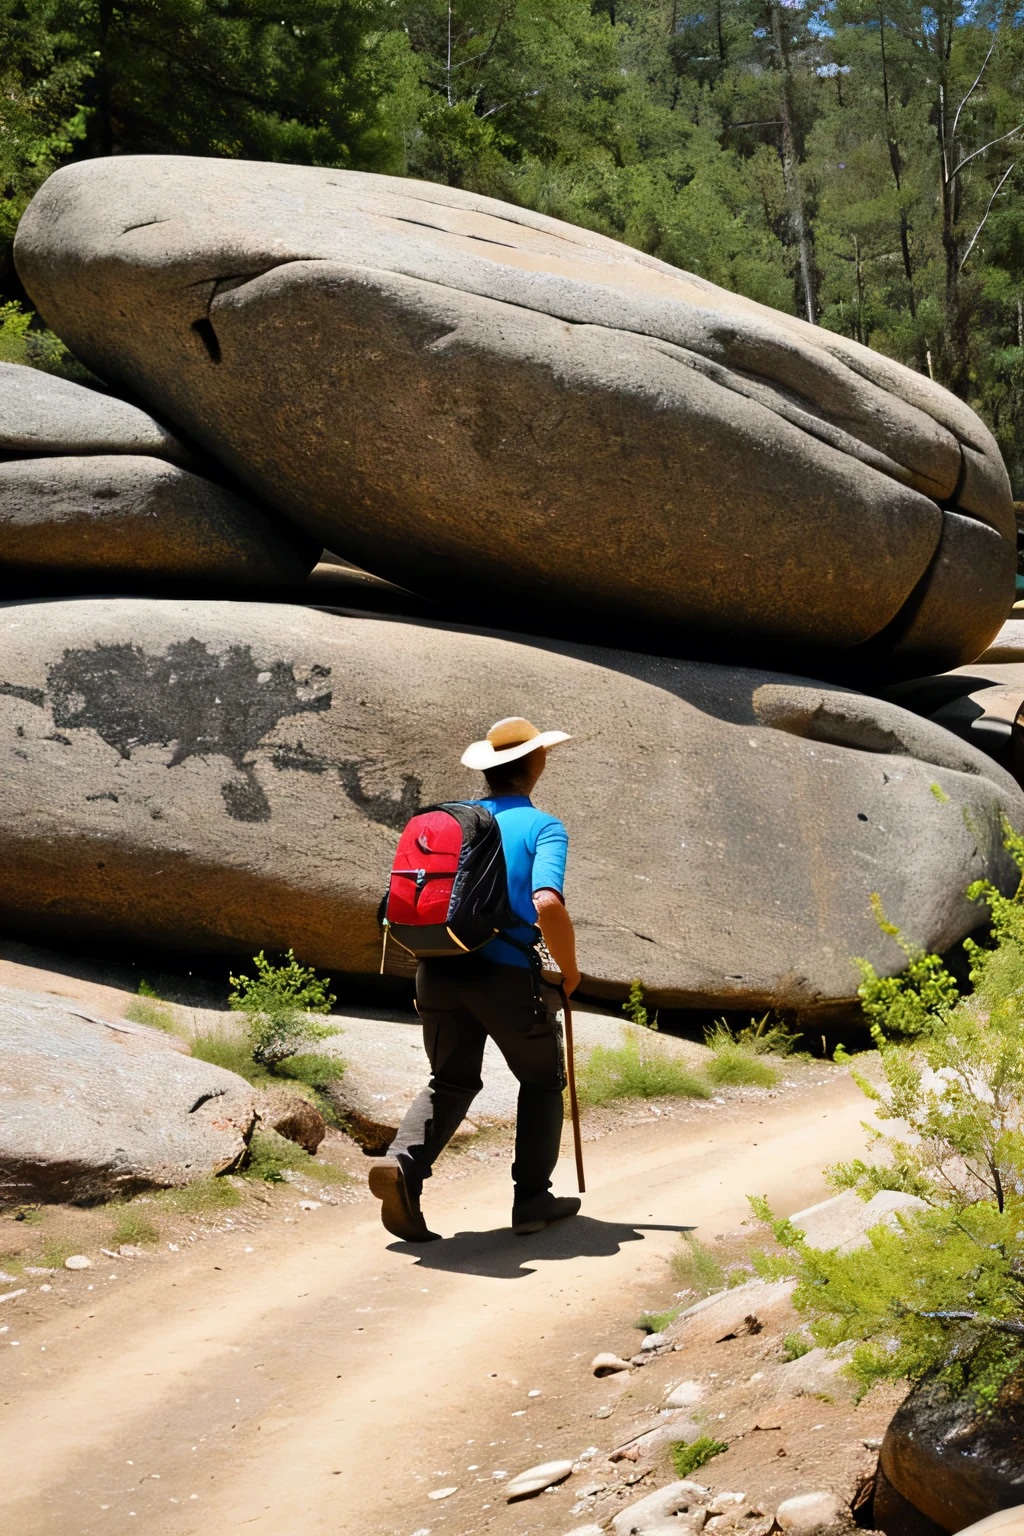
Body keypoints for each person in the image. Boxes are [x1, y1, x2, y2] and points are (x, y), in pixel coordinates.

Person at [369, 716, 582, 1244]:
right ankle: (532, 1199)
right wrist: (569, 973)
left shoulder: (452, 821)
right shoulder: (542, 826)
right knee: (539, 1080)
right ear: (537, 764)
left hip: (435, 970)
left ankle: (402, 1167)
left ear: (489, 771)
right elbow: (546, 902)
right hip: (505, 974)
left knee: (453, 1080)